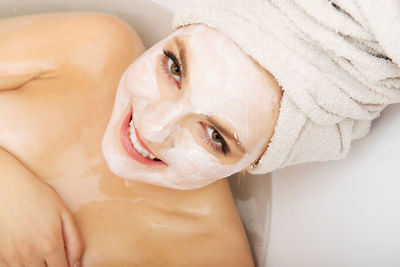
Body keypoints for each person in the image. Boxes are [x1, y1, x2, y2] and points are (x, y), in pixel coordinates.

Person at [0, 11, 280, 266]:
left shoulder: (204, 259)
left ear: (257, 161)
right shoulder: (93, 50)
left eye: (214, 135)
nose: (152, 127)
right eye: (175, 68)